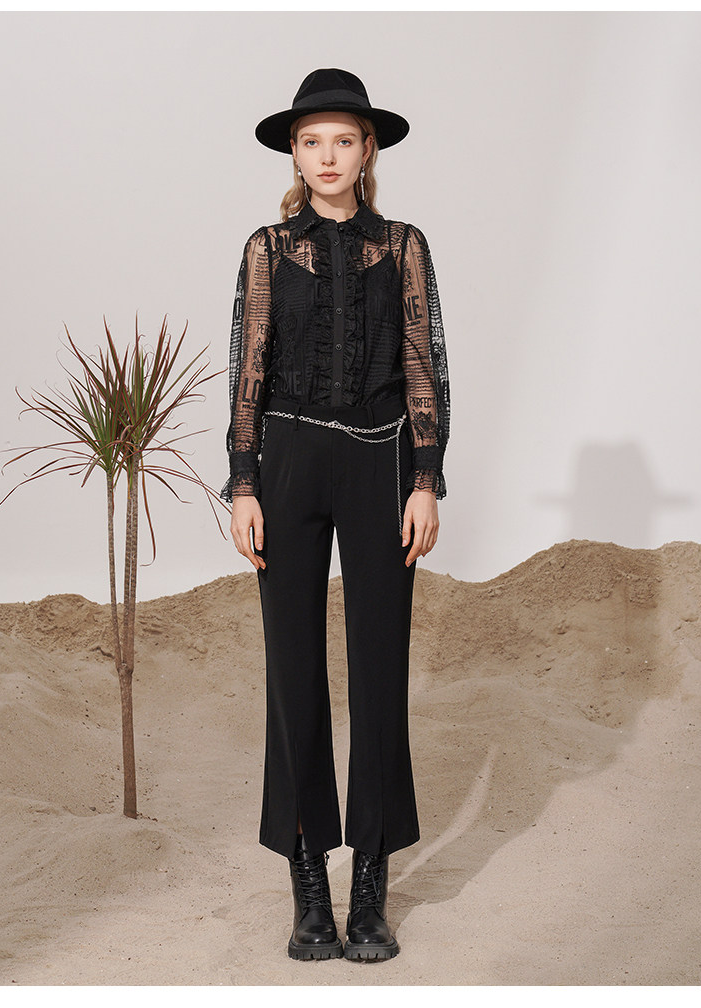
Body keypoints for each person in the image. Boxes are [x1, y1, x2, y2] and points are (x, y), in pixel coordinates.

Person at [220, 68, 450, 962]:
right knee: (293, 669)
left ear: (368, 150)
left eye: (343, 141)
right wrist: (244, 484)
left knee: (380, 669)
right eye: (312, 141)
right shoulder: (268, 249)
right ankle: (309, 885)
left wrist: (425, 478)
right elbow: (249, 366)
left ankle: (372, 890)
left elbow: (424, 361)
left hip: (381, 458)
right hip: (286, 459)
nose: (328, 156)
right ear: (294, 152)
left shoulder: (404, 246)